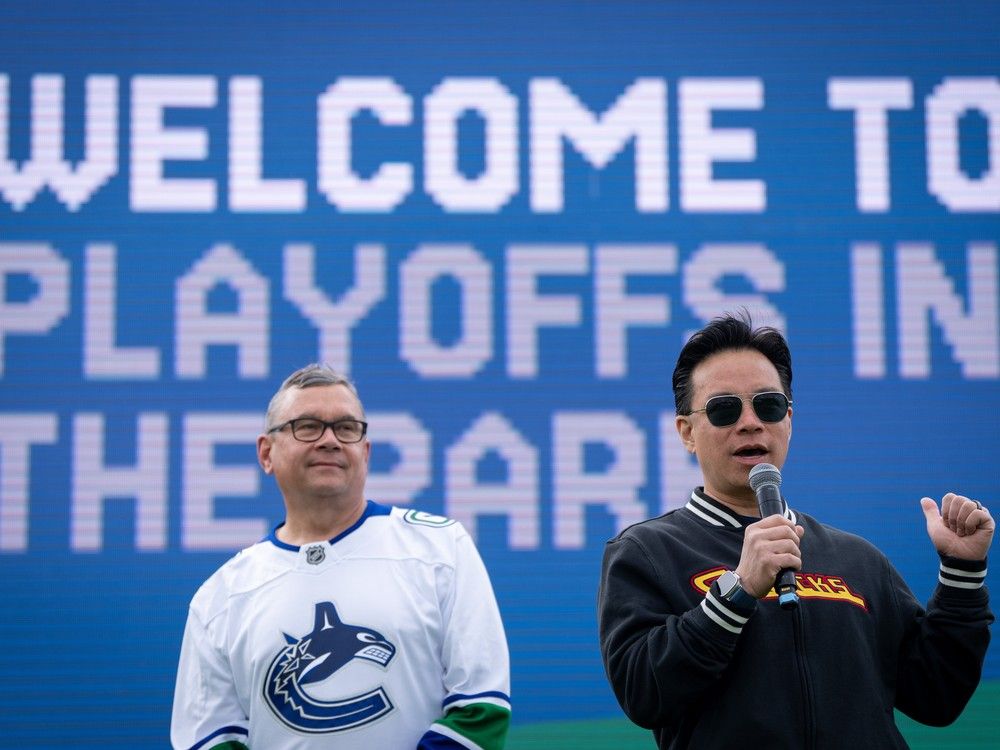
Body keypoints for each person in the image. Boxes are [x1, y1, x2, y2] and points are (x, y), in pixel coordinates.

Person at [598, 313, 994, 748]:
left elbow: (937, 697)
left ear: (789, 418)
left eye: (767, 405)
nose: (750, 422)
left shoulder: (857, 559)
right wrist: (738, 591)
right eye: (724, 409)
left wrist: (962, 573)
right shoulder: (647, 551)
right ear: (687, 432)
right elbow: (644, 693)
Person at [171, 364, 511, 750]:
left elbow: (481, 708)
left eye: (346, 428)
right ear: (267, 453)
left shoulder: (439, 549)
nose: (330, 440)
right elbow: (209, 739)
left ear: (364, 452)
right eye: (308, 426)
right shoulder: (221, 598)